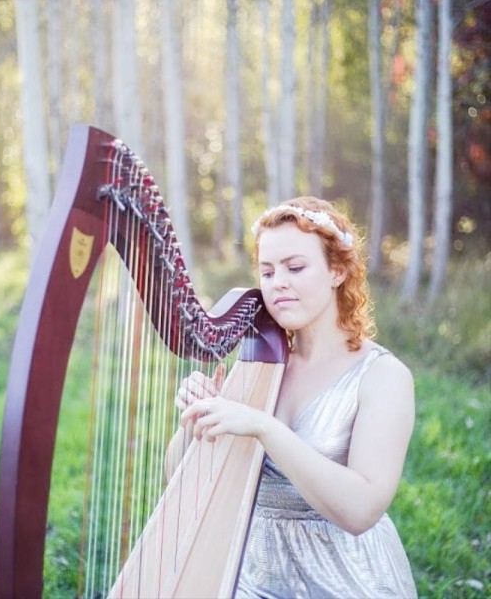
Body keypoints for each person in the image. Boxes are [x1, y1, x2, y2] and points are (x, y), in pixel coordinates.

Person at [175, 197, 417, 598]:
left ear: (338, 271)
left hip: (345, 578)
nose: (277, 282)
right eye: (267, 271)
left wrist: (265, 428)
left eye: (296, 267)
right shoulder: (257, 368)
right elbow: (180, 479)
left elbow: (360, 511)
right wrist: (197, 418)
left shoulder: (383, 376)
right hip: (254, 574)